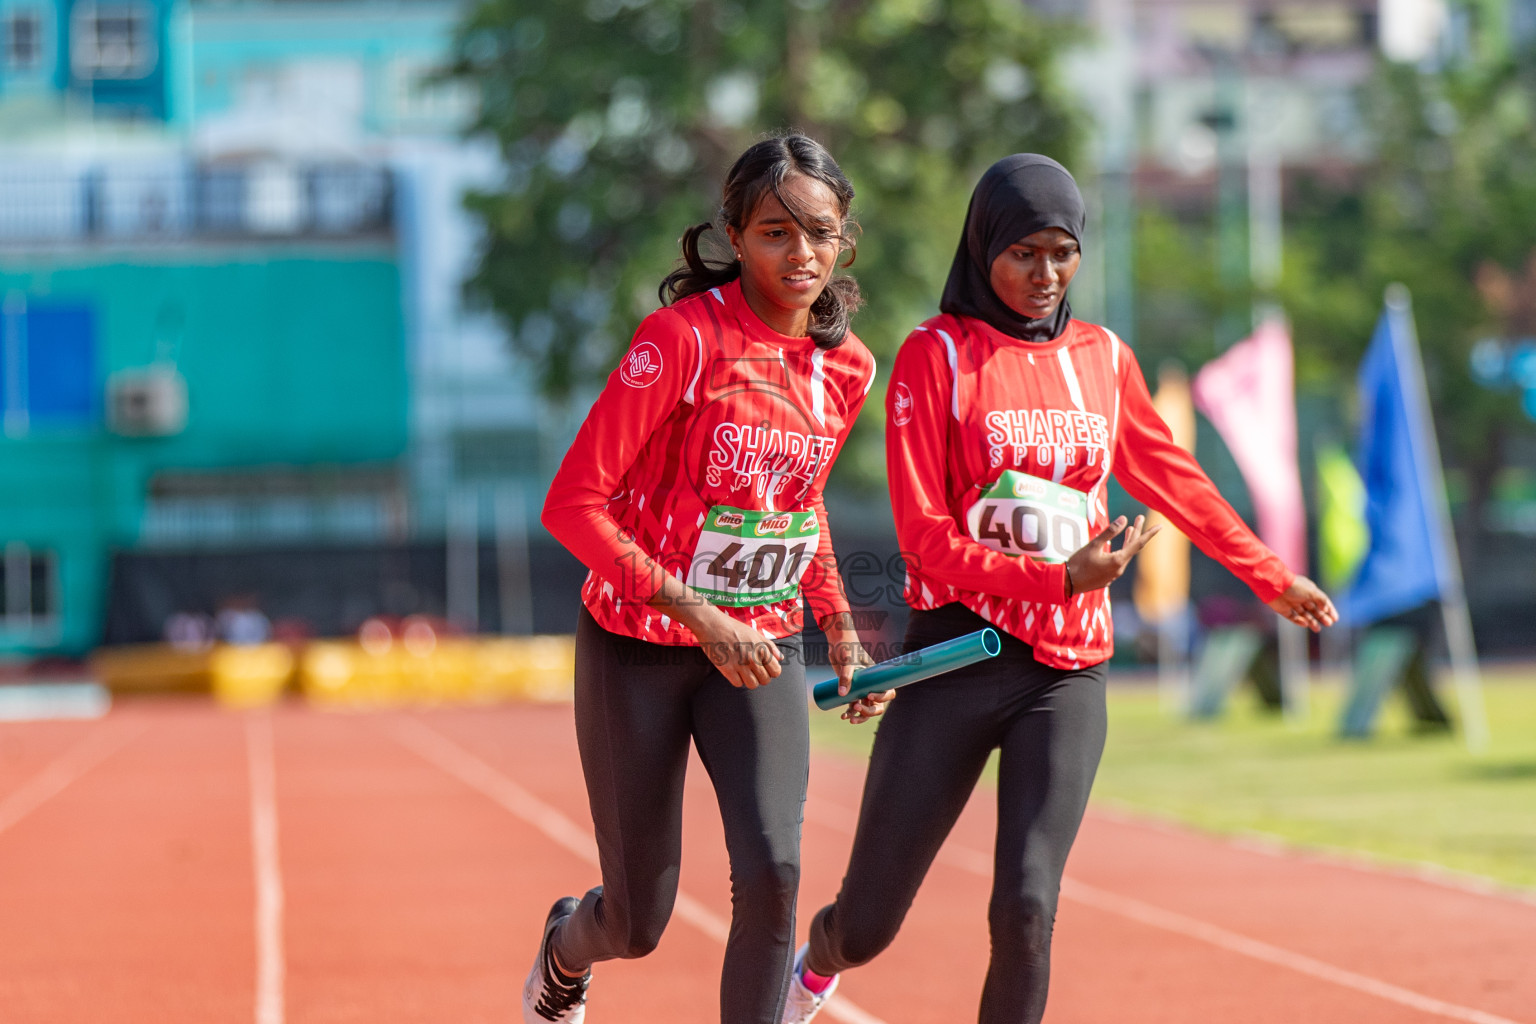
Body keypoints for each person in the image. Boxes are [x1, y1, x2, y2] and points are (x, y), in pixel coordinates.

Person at [783, 154, 1337, 1024]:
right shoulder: (937, 355)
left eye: (1063, 253)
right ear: (983, 248)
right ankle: (816, 965)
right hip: (953, 653)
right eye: (1024, 254)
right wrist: (1055, 575)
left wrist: (1270, 576)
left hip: (1066, 670)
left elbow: (1176, 481)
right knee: (868, 924)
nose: (1045, 276)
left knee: (1028, 908)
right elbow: (925, 542)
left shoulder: (1105, 359)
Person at [527, 135, 887, 1024]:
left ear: (845, 240)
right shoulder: (681, 342)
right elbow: (572, 504)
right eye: (775, 232)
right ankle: (564, 949)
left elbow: (796, 506)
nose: (799, 254)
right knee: (638, 917)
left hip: (757, 647)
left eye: (820, 233)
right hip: (637, 645)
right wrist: (699, 614)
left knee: (774, 875)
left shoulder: (848, 368)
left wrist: (837, 621)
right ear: (733, 233)